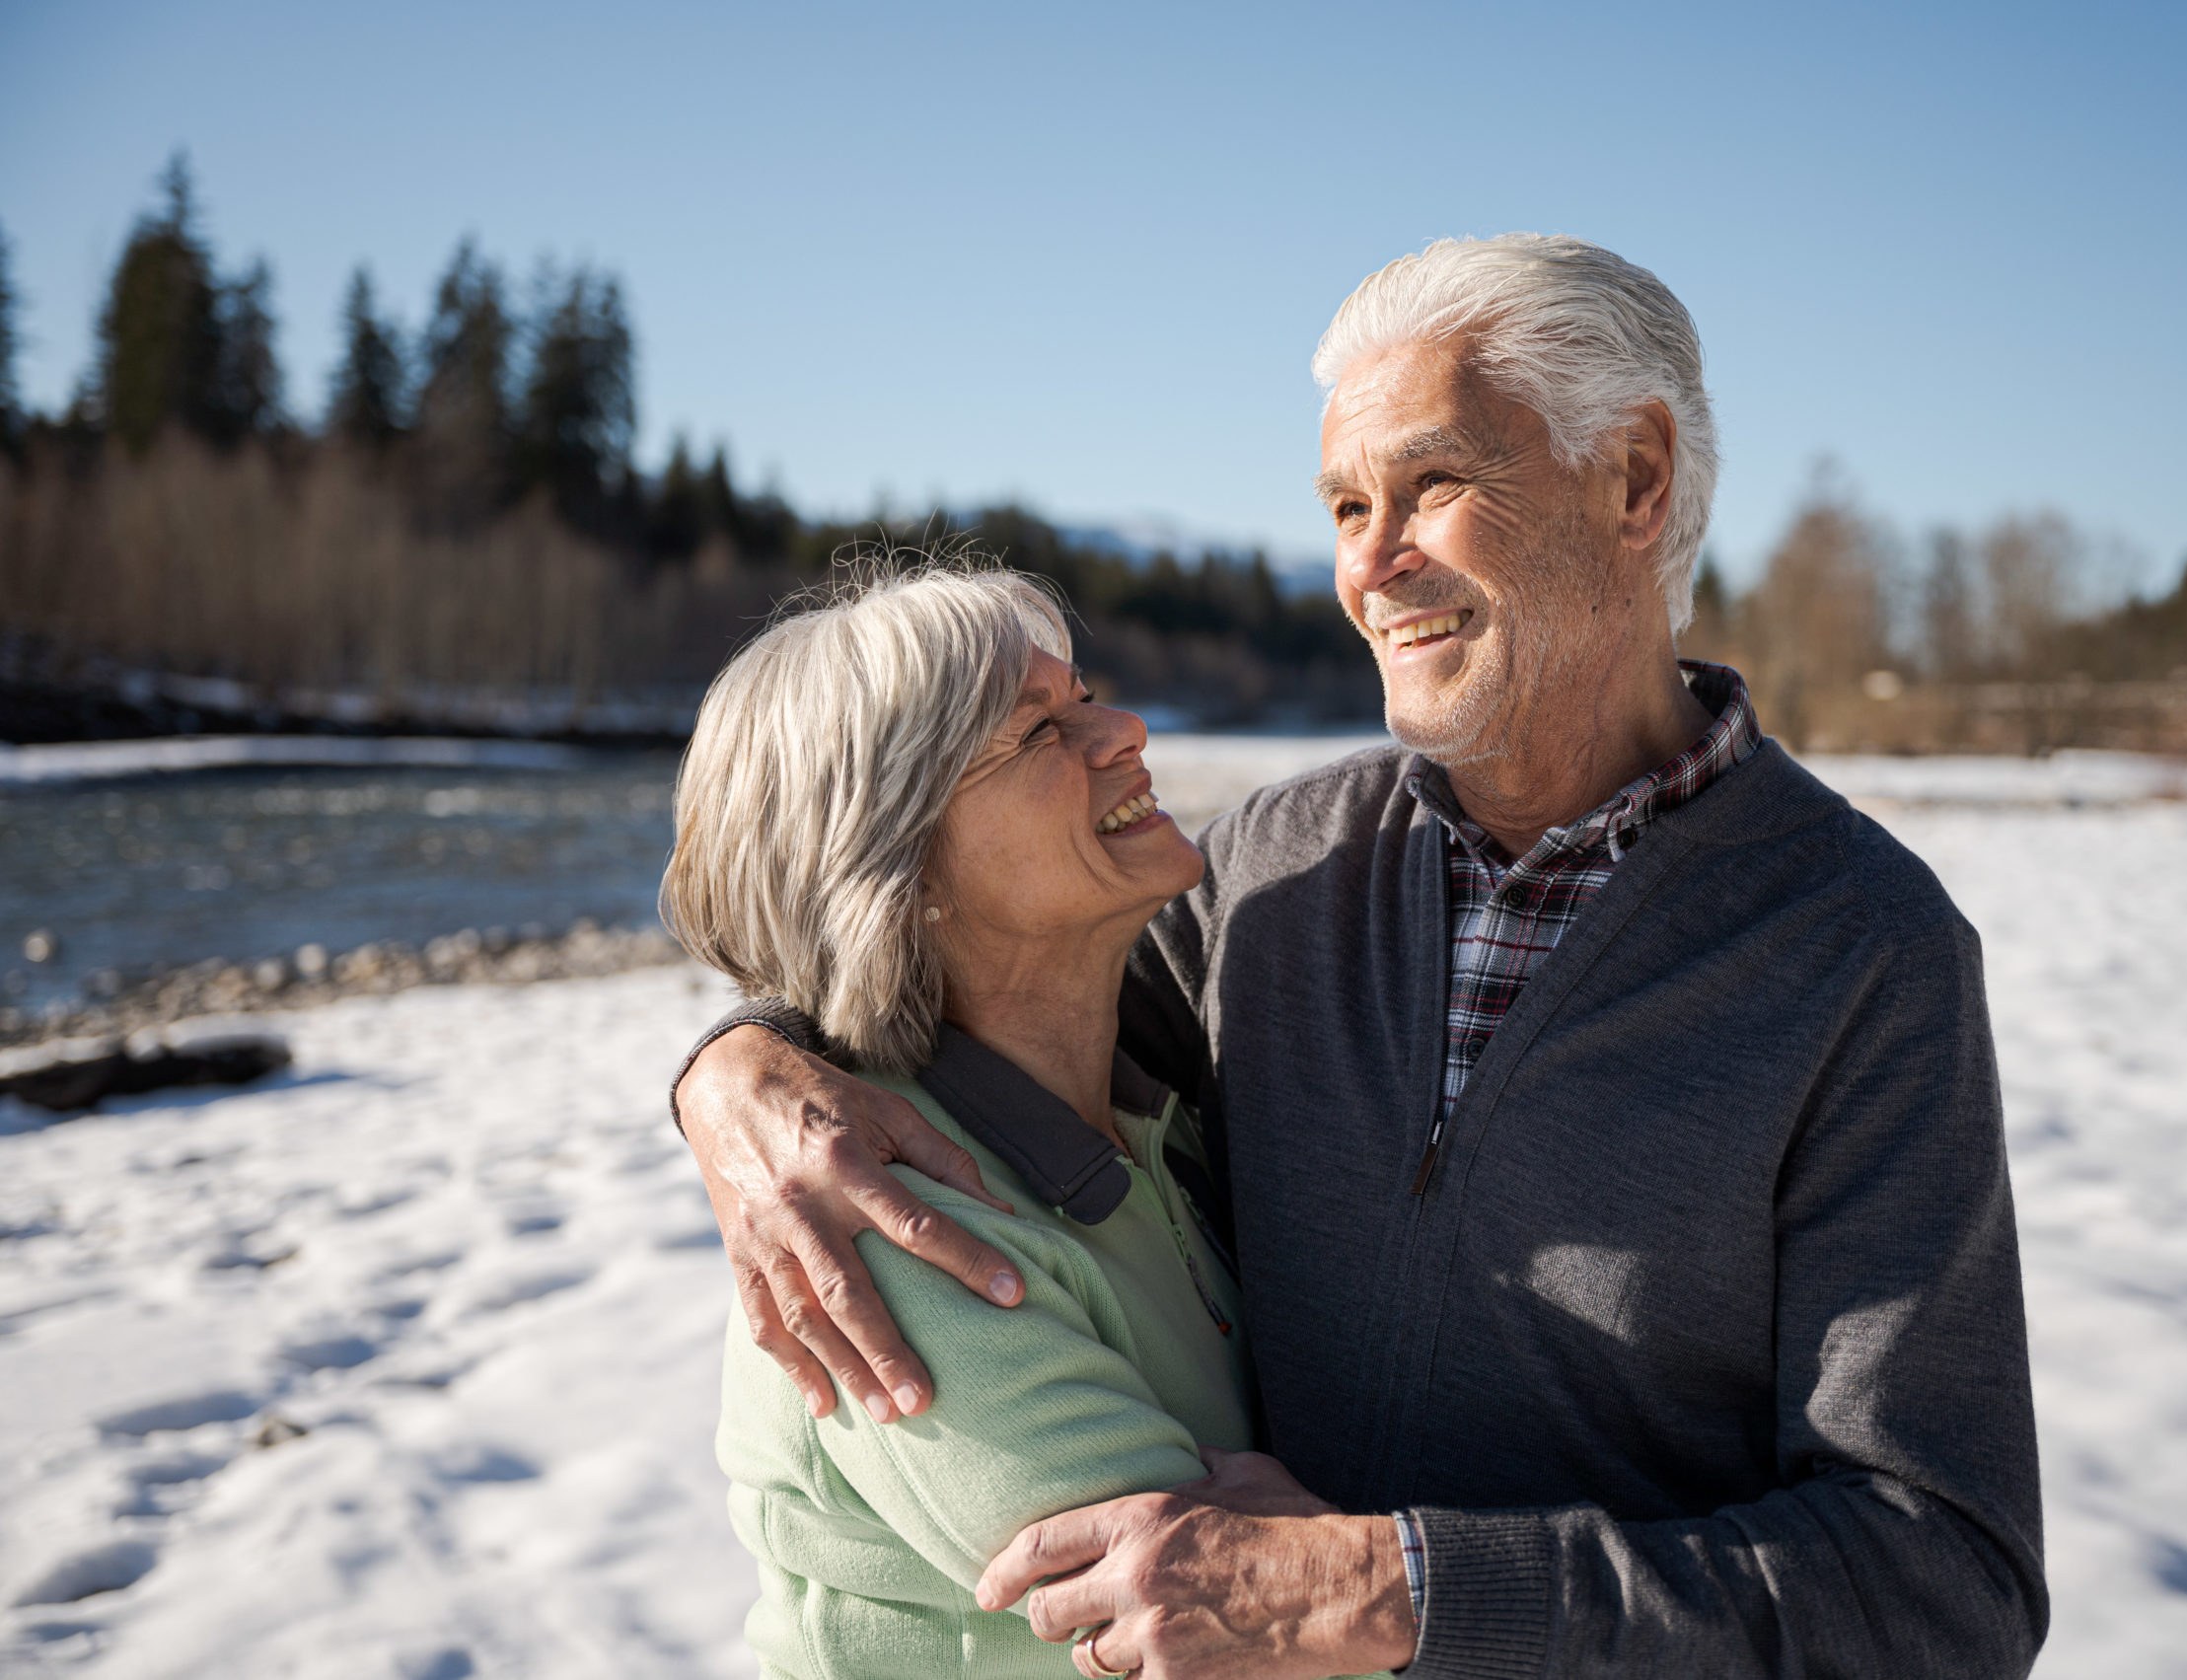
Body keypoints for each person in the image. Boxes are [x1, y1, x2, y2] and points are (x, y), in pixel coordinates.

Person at [674, 235, 2046, 1678]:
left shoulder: (1861, 950)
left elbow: (1944, 1585)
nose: (1368, 565)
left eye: (1432, 484)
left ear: (1636, 480)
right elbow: (959, 999)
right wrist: (738, 1067)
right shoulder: (1275, 872)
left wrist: (1412, 1590)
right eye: (1344, 503)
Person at [657, 567, 1405, 1678]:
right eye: (1041, 728)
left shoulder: (1160, 1121)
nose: (1124, 729)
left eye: (1086, 692)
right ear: (895, 871)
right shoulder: (889, 1222)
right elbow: (1252, 1637)